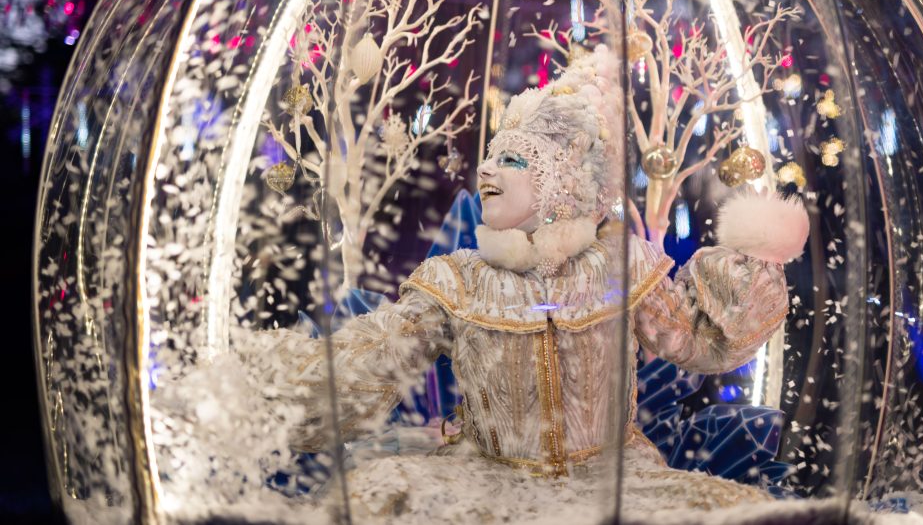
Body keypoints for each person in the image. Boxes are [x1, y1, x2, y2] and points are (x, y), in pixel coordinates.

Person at [249, 45, 810, 520]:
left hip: (614, 484)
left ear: (560, 183)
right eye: (489, 158)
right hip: (482, 485)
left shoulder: (620, 268)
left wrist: (755, 259)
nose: (486, 171)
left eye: (511, 159)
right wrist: (260, 392)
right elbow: (370, 364)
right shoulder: (458, 280)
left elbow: (702, 339)